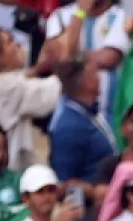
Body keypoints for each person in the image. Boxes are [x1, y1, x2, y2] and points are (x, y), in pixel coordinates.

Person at [0, 26, 59, 170]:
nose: (17, 44)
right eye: (10, 41)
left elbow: (22, 79)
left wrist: (37, 69)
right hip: (15, 171)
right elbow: (52, 92)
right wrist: (66, 62)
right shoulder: (6, 86)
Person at [39, 0, 129, 120]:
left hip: (112, 114)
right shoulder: (59, 17)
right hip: (69, 114)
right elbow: (61, 58)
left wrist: (74, 56)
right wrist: (81, 12)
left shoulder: (121, 16)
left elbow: (109, 57)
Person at [47, 56, 116, 188]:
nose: (100, 78)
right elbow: (64, 181)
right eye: (95, 73)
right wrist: (92, 192)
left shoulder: (87, 112)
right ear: (87, 82)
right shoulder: (68, 127)